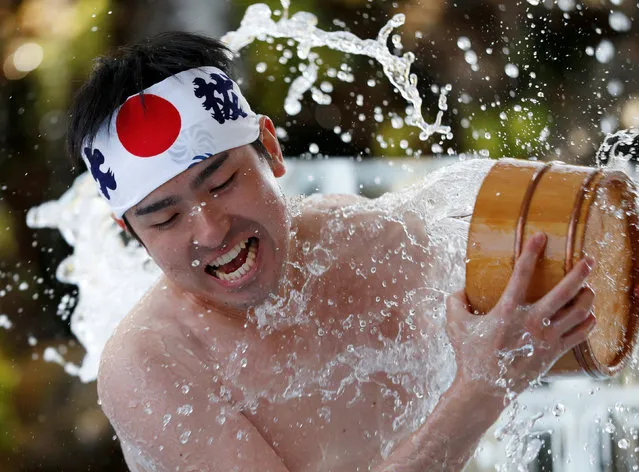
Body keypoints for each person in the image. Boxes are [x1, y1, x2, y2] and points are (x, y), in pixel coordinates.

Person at [68, 31, 597, 472]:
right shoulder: (151, 365)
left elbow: (562, 309)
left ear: (271, 151)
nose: (210, 230)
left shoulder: (371, 244)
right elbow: (482, 384)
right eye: (166, 218)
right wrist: (479, 393)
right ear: (132, 231)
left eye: (223, 183)